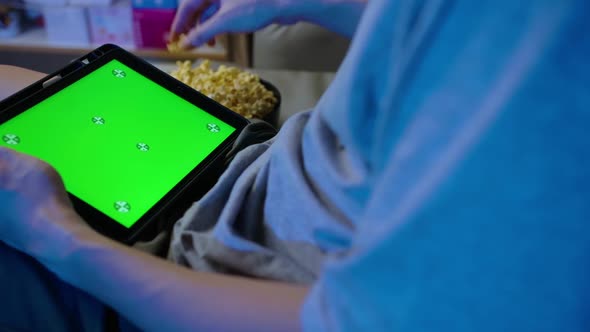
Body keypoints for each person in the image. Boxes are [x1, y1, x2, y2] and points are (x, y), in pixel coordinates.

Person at [1, 0, 589, 331]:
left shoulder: (554, 64)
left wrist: (58, 236)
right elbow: (448, 45)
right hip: (244, 161)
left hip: (191, 274)